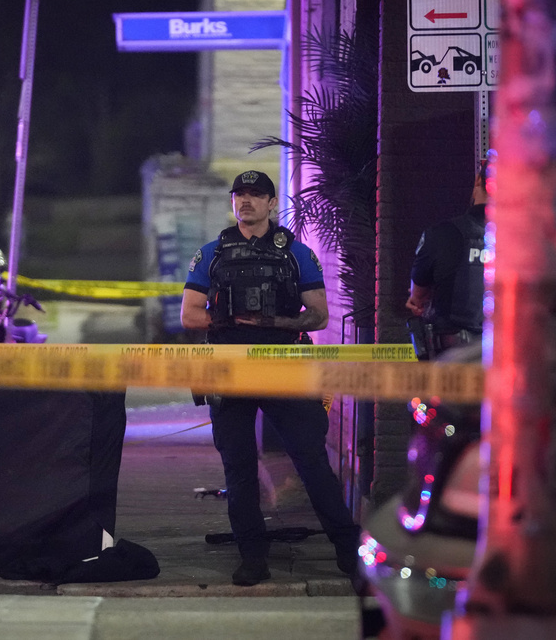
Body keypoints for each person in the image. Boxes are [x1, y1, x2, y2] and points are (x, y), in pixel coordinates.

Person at [181, 169, 361, 587]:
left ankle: (349, 554)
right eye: (239, 195)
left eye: (255, 195)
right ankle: (252, 557)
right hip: (230, 368)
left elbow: (318, 315)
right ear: (233, 202)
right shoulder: (211, 253)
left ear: (271, 203)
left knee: (312, 463)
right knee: (239, 469)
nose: (246, 201)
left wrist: (273, 321)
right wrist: (226, 318)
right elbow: (190, 314)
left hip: (285, 366)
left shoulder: (296, 253)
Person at [405, 160, 489, 356]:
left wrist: (418, 300)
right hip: (512, 367)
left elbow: (417, 298)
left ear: (478, 180)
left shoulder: (442, 234)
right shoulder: (530, 242)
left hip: (455, 366)